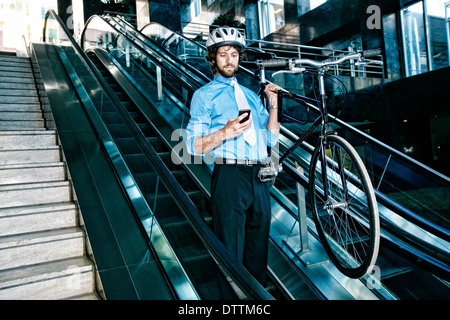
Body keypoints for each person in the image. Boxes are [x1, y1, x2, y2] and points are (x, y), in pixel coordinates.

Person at [185, 26, 280, 285]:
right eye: (223, 54)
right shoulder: (204, 96)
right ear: (213, 58)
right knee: (230, 252)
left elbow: (270, 138)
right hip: (229, 175)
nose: (230, 60)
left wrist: (272, 104)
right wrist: (225, 132)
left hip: (259, 176)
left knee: (258, 252)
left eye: (234, 55)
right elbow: (192, 146)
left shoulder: (250, 95)